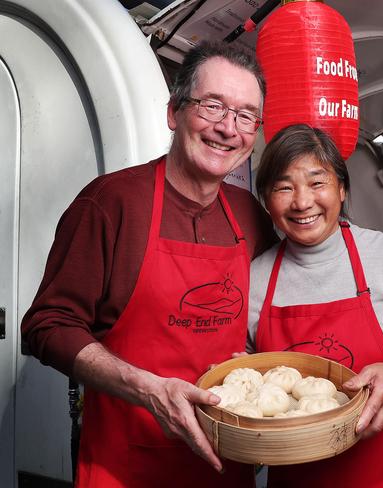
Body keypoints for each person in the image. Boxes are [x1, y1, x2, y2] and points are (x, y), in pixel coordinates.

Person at [21, 41, 277, 487]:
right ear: (174, 112)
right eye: (213, 106)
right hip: (127, 464)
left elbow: (285, 299)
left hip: (225, 465)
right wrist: (149, 390)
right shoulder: (111, 203)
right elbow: (47, 325)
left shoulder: (251, 216)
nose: (227, 128)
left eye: (245, 116)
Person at [247, 124, 383, 487]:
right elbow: (248, 383)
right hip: (302, 477)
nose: (302, 202)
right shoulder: (255, 278)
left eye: (318, 183)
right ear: (267, 200)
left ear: (342, 188)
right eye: (284, 187)